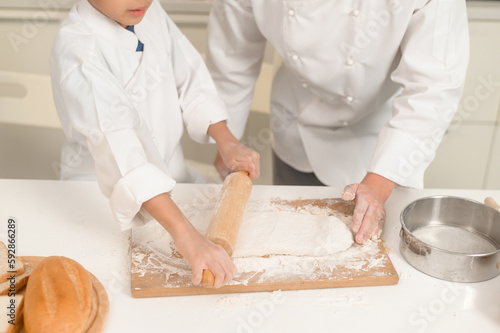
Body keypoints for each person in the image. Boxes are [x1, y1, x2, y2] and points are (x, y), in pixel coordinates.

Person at [206, 0, 469, 244]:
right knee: (292, 237)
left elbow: (433, 87)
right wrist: (228, 137)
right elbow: (233, 57)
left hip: (381, 140)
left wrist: (379, 184)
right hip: (297, 122)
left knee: (369, 247)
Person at [50, 0, 260, 288]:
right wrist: (187, 236)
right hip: (106, 198)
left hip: (175, 180)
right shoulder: (79, 52)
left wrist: (227, 141)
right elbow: (122, 152)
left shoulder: (145, 12)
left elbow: (190, 81)